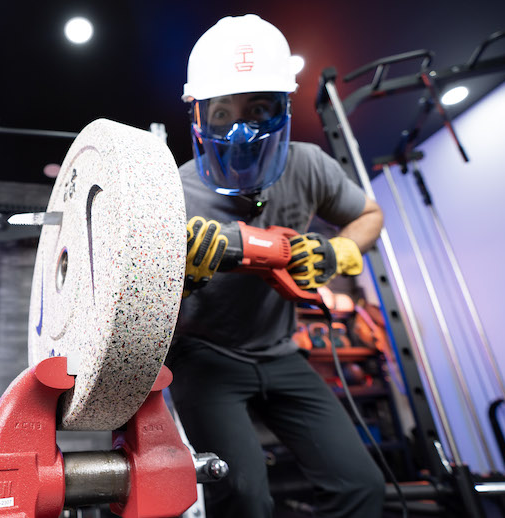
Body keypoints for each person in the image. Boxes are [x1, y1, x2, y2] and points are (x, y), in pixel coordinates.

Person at [165, 14, 386, 517]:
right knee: (243, 497)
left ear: (283, 111)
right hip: (205, 356)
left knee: (361, 486)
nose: (241, 130)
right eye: (222, 112)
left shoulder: (308, 165)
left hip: (283, 354)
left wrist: (336, 253)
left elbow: (370, 215)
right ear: (199, 117)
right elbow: (133, 305)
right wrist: (181, 277)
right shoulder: (171, 191)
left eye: (260, 109)